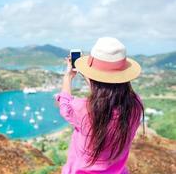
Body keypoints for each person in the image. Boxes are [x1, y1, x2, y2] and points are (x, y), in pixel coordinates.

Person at [55, 37, 144, 174]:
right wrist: (93, 75)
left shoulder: (84, 109)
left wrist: (68, 77)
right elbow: (109, 91)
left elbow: (64, 106)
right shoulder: (135, 106)